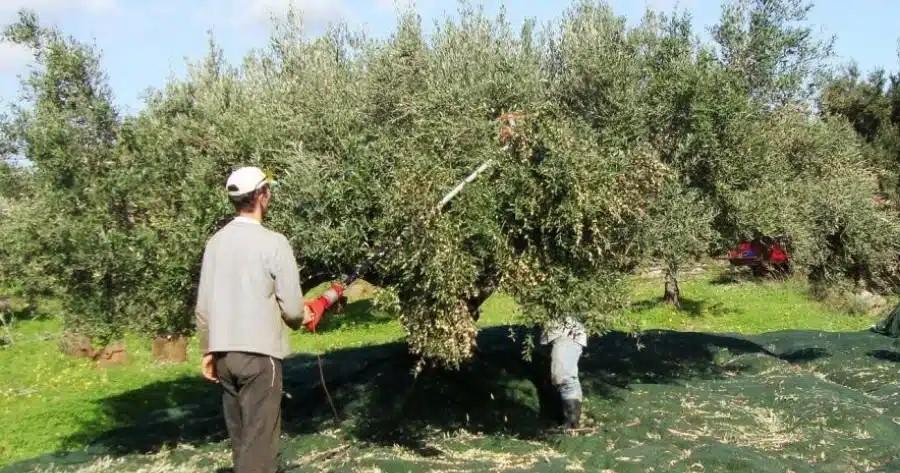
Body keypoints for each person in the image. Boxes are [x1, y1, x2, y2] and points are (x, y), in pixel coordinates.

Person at [195, 166, 316, 473]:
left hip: (224, 357)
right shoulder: (274, 242)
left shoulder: (214, 244)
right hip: (261, 358)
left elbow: (203, 306)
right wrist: (305, 314)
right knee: (260, 448)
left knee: (242, 441)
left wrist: (208, 350)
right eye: (269, 191)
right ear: (262, 196)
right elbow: (292, 309)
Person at [539, 317, 587, 429]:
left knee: (564, 377)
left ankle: (572, 423)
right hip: (551, 333)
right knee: (553, 379)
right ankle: (558, 420)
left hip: (566, 333)